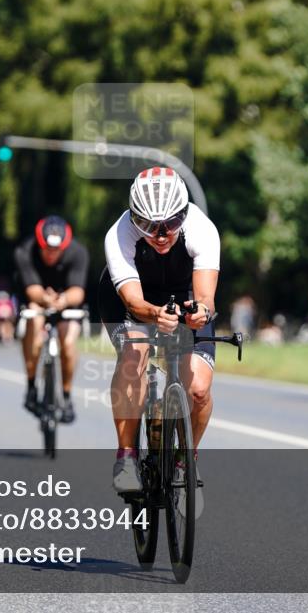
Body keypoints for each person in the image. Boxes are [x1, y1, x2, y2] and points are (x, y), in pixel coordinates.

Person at [97, 167, 219, 503]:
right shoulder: (118, 234)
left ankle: (184, 460)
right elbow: (134, 302)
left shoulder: (202, 229)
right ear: (134, 218)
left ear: (184, 214)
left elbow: (206, 297)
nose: (161, 235)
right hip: (131, 301)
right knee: (133, 356)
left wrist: (200, 313)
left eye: (171, 223)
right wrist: (155, 315)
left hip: (184, 294)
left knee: (198, 390)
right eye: (148, 225)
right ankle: (126, 457)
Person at [14, 215, 90, 422]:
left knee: (68, 342)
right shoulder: (25, 251)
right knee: (34, 322)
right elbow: (32, 290)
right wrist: (45, 299)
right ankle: (32, 387)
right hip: (37, 298)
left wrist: (63, 300)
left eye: (56, 250)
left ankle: (66, 396)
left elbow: (78, 291)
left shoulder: (77, 252)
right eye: (46, 249)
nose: (51, 254)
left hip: (66, 300)